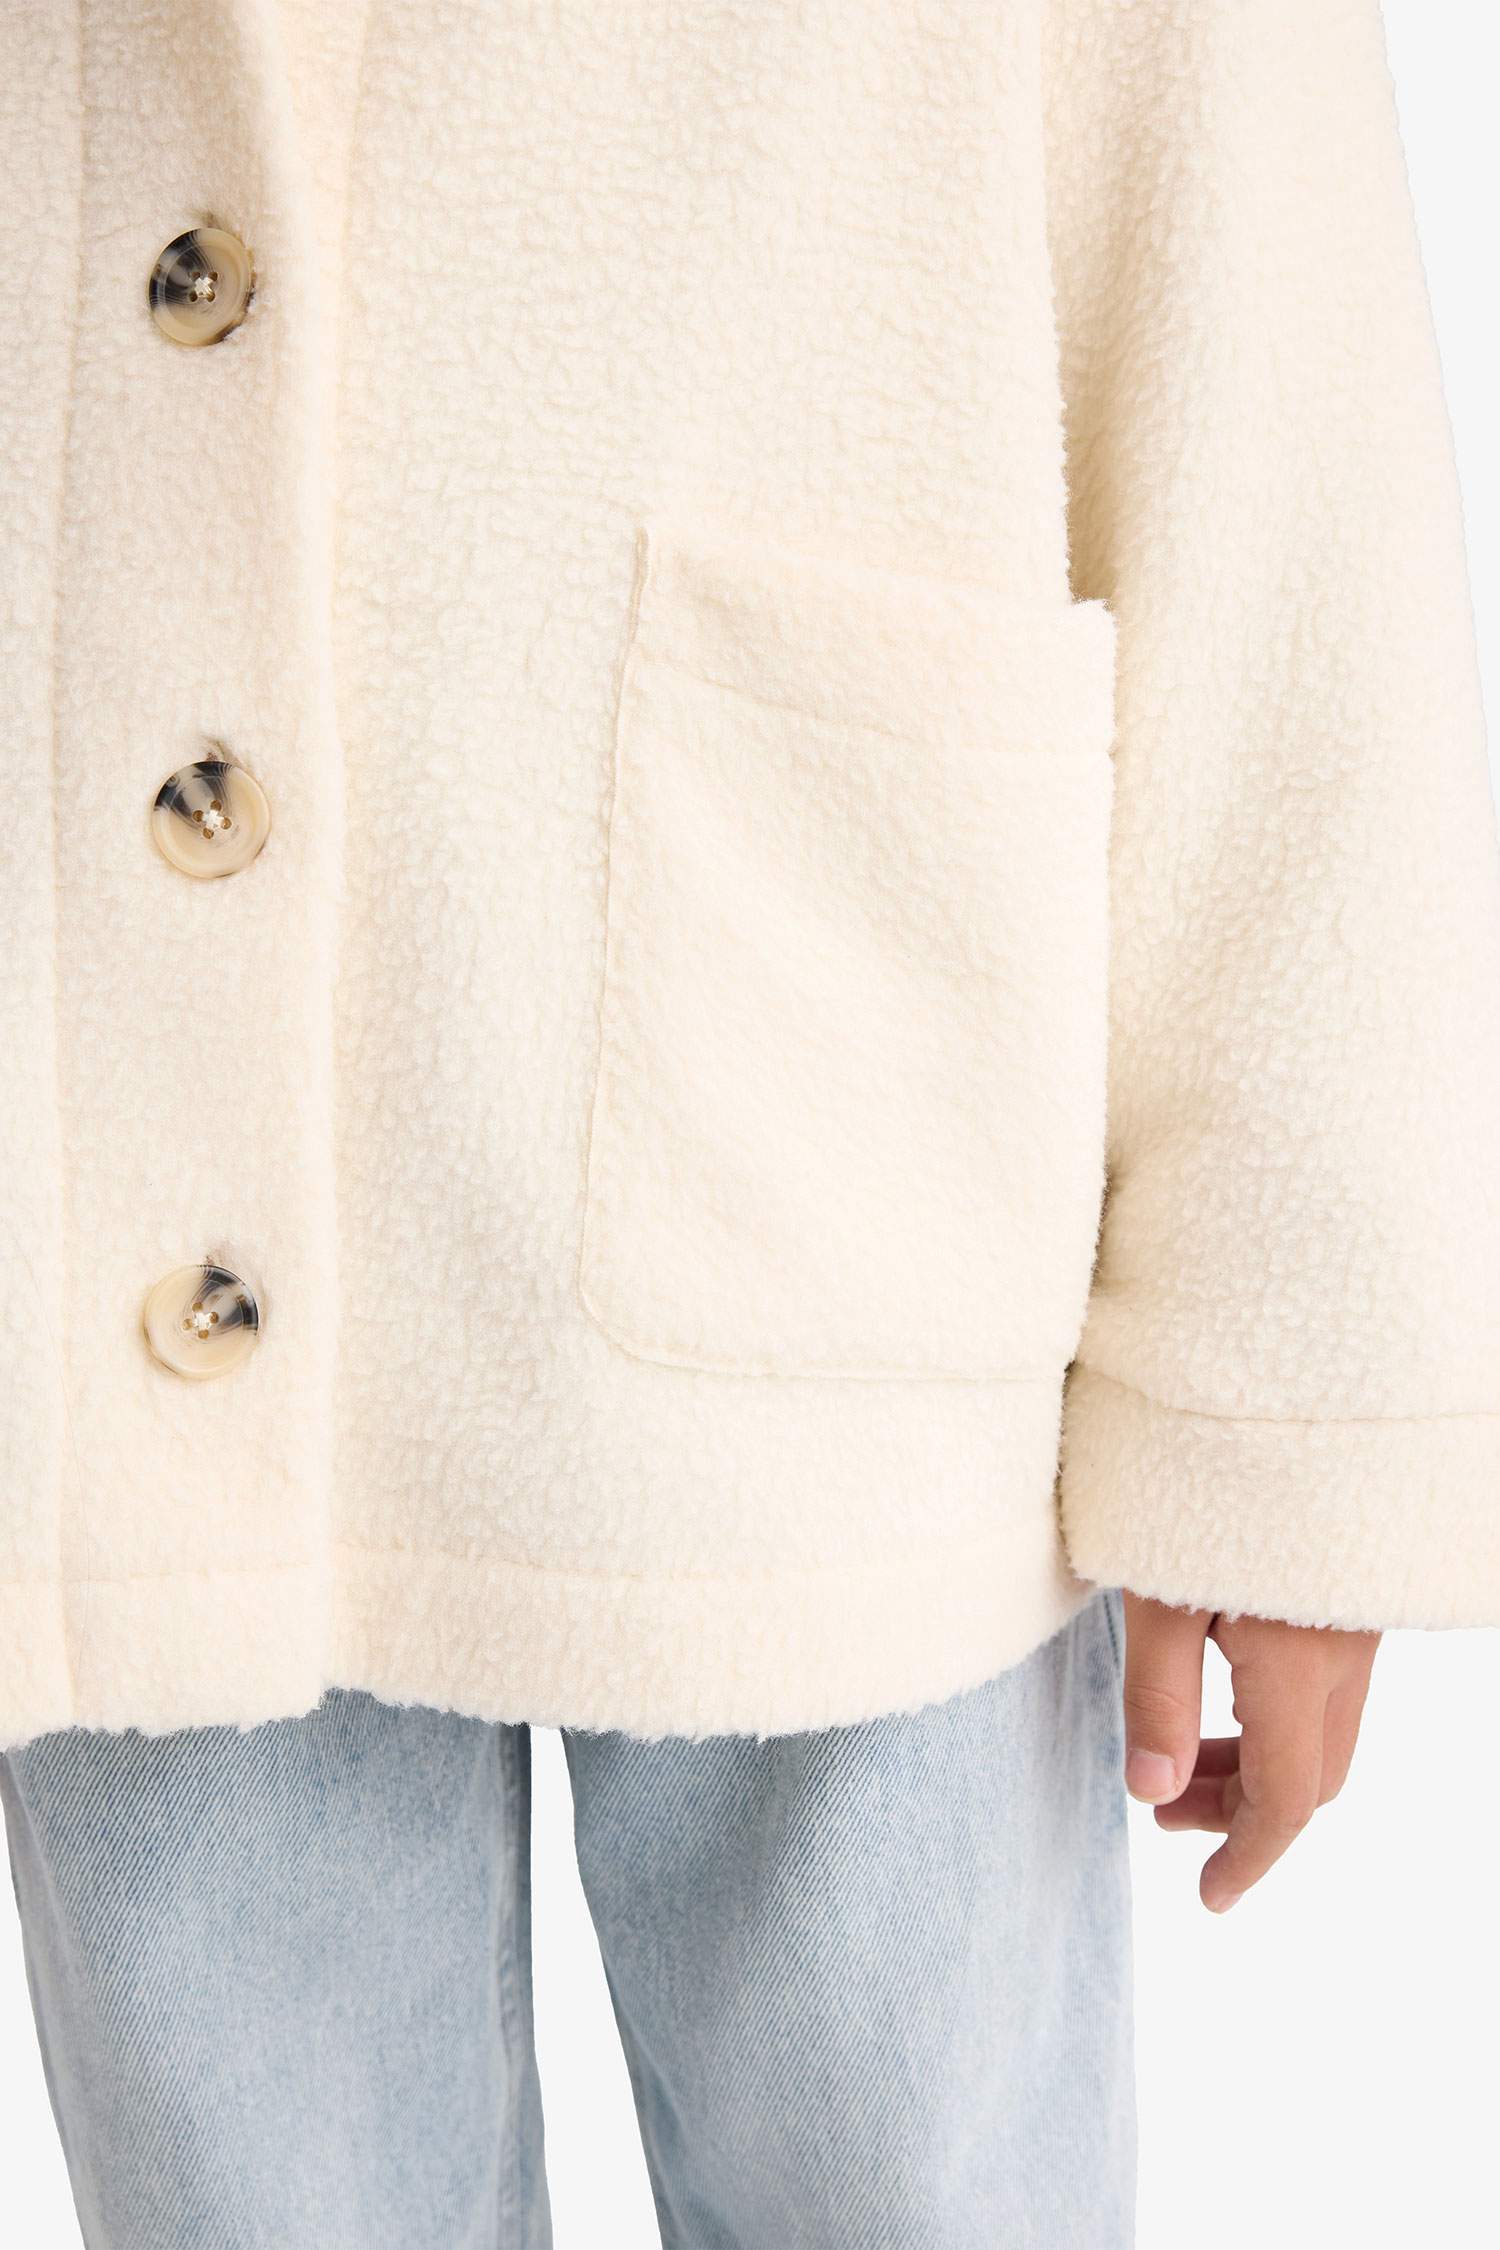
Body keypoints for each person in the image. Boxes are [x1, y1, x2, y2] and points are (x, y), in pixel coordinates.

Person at [1, 2, 1494, 2244]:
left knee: (913, 2186)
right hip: (125, 1173)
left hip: (848, 1172)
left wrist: (1290, 1383)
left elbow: (1269, 366)